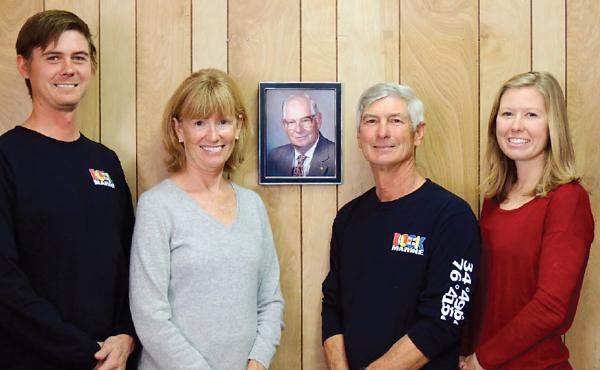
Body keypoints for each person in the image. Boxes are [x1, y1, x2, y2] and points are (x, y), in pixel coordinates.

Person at [0, 10, 137, 370]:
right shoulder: (6, 159)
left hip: (112, 361)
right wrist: (83, 350)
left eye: (78, 58)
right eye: (53, 57)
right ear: (24, 66)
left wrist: (125, 335)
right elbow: (4, 284)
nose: (68, 69)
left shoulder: (106, 162)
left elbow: (129, 262)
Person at [129, 69, 284, 370]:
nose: (213, 136)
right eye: (199, 123)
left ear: (238, 127)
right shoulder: (157, 207)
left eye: (223, 122)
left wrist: (258, 362)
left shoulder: (252, 206)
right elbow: (150, 315)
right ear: (178, 130)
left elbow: (270, 300)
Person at [321, 82, 480, 369]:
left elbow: (443, 319)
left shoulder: (452, 217)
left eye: (395, 120)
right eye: (371, 121)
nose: (382, 132)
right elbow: (333, 306)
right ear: (359, 137)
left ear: (418, 133)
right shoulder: (348, 219)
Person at [459, 72, 594, 370]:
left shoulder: (567, 200)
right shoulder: (494, 199)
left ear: (552, 126)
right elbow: (481, 291)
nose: (516, 125)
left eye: (531, 114)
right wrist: (466, 351)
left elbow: (551, 308)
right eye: (507, 114)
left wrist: (482, 359)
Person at [266, 93, 336, 177]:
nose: (298, 130)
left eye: (305, 120)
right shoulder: (274, 157)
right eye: (291, 122)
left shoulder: (337, 156)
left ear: (318, 121)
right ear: (285, 125)